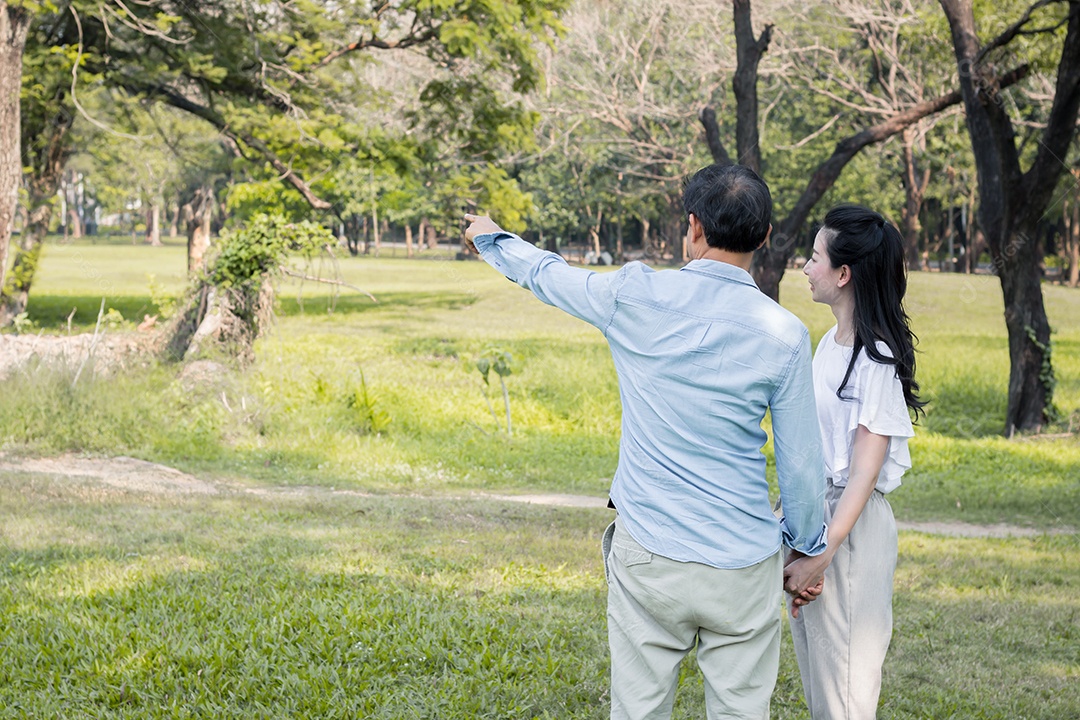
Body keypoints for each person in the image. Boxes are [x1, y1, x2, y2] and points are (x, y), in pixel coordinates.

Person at [463, 163, 829, 720]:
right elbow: (801, 463)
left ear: (694, 228)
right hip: (742, 565)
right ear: (766, 236)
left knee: (639, 710)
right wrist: (806, 551)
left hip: (650, 556)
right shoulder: (784, 334)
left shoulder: (634, 293)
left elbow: (549, 275)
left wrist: (492, 237)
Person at [783, 205, 925, 719]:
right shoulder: (830, 344)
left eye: (815, 257)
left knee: (845, 691)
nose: (805, 267)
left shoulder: (876, 358)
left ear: (844, 274)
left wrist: (825, 552)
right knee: (823, 683)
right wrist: (804, 539)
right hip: (818, 517)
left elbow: (865, 469)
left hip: (851, 527)